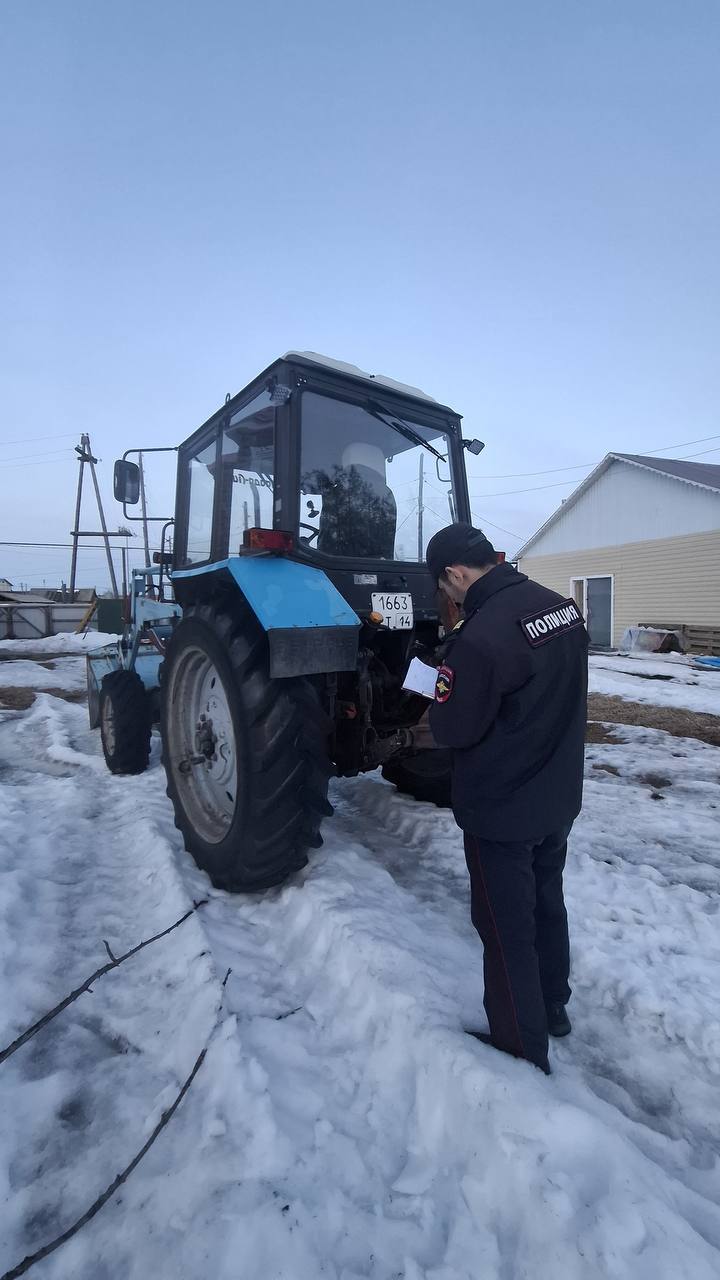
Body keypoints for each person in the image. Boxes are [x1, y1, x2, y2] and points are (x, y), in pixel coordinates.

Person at [426, 523, 588, 1075]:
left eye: (444, 587)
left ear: (456, 574)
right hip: (556, 795)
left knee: (505, 927)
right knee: (546, 902)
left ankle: (520, 1043)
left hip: (501, 810)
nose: (447, 597)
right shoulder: (561, 608)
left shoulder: (479, 637)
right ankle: (553, 1006)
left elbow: (453, 729)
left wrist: (438, 693)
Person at [303, 443, 397, 558]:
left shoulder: (342, 491)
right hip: (375, 565)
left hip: (338, 565)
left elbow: (328, 543)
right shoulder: (385, 493)